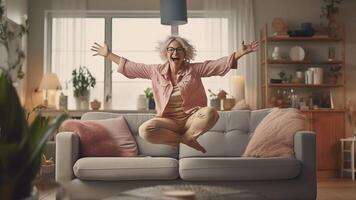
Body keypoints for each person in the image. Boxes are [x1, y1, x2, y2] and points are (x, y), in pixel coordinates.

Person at [91, 36, 258, 153]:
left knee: (211, 112)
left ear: (185, 54)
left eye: (179, 50)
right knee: (145, 130)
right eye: (171, 49)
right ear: (166, 53)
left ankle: (186, 136)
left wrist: (239, 53)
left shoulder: (194, 70)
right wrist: (108, 55)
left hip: (191, 119)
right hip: (168, 121)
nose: (174, 53)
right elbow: (131, 67)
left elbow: (216, 65)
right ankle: (185, 139)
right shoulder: (154, 71)